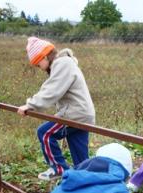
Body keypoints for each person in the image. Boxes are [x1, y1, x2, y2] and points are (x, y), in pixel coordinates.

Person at [17, 37, 95, 181]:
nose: (38, 67)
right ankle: (86, 182)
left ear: (45, 57)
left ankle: (59, 169)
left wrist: (30, 104)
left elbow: (52, 90)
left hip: (74, 114)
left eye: (37, 63)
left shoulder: (62, 64)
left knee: (45, 133)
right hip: (84, 114)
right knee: (81, 159)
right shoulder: (66, 64)